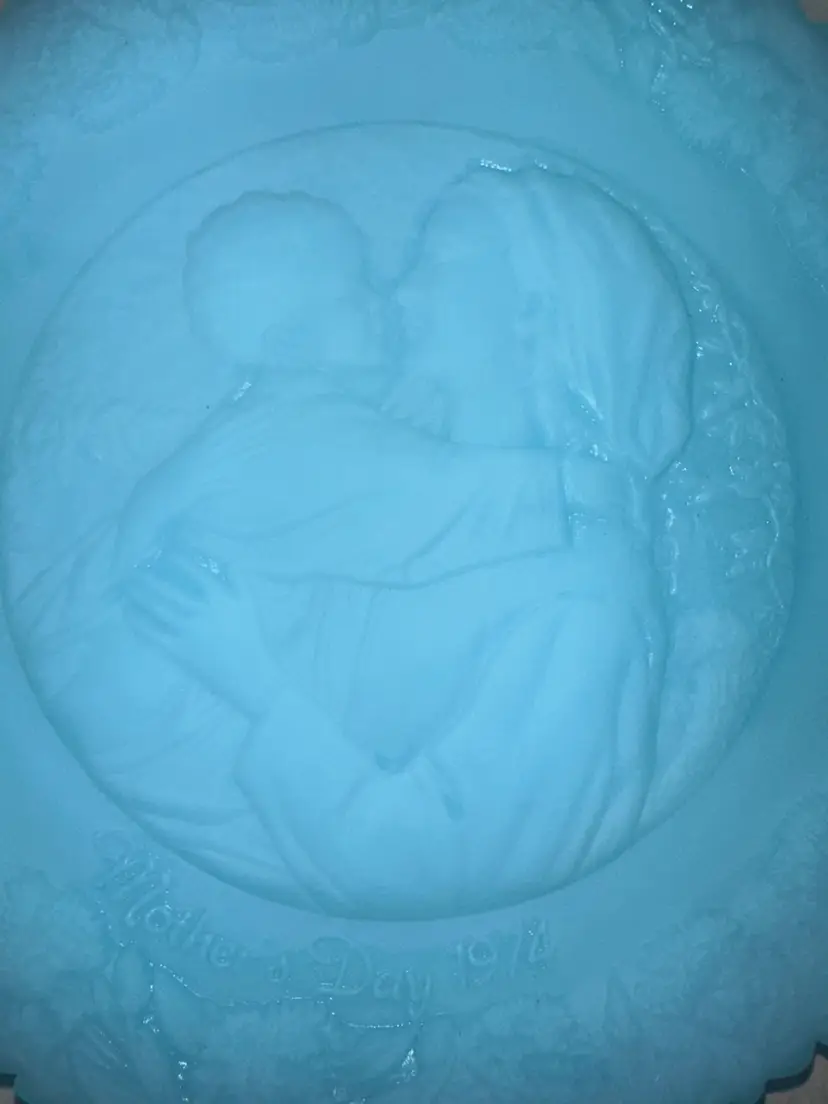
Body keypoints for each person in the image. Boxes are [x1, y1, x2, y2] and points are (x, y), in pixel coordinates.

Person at [124, 165, 694, 919]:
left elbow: (440, 866)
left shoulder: (582, 604)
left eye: (436, 264)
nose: (399, 294)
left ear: (531, 312)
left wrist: (258, 690)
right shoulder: (360, 476)